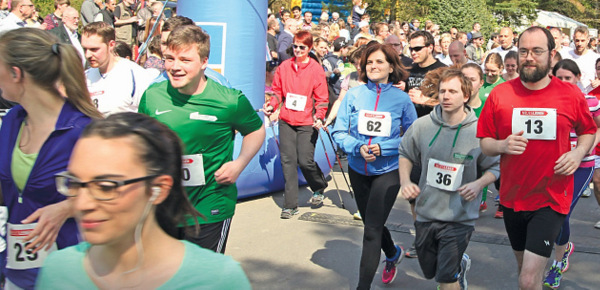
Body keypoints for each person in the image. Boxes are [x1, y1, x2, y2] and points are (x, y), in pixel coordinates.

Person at [36, 113, 251, 289]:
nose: (83, 204)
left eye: (106, 187)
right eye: (75, 183)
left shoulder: (217, 280)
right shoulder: (58, 271)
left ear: (158, 189)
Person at [477, 26, 596, 290]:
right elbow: (485, 144)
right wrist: (502, 144)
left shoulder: (569, 94)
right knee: (526, 274)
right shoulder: (501, 94)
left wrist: (577, 154)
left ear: (552, 55)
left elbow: (588, 131)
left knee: (528, 280)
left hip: (551, 197)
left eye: (537, 51)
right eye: (523, 51)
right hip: (512, 197)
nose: (529, 57)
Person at [139, 25, 265, 253]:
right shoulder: (152, 96)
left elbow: (256, 130)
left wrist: (239, 164)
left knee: (202, 279)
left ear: (204, 62)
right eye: (169, 58)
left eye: (185, 60)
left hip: (209, 205)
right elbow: (141, 142)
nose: (175, 67)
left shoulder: (229, 101)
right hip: (163, 206)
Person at [0, 28, 102, 289]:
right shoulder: (12, 120)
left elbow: (122, 194)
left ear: (16, 73)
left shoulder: (83, 130)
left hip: (73, 274)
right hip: (17, 272)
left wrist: (67, 207)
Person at [399, 67, 500, 290]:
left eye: (452, 91)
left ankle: (453, 271)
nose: (446, 96)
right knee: (429, 270)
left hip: (459, 217)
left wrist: (478, 183)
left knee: (445, 279)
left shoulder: (479, 131)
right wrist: (406, 181)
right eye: (443, 91)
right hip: (426, 213)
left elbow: (496, 166)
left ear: (465, 96)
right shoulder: (422, 126)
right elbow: (405, 153)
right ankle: (459, 265)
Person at [332, 42, 417, 289]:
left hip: (388, 171)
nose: (374, 66)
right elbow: (339, 131)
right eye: (369, 62)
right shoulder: (354, 95)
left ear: (391, 67)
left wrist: (386, 147)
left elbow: (413, 137)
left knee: (370, 231)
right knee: (372, 223)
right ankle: (392, 253)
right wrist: (357, 147)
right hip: (358, 169)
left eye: (380, 62)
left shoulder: (401, 99)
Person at [541, 59, 600, 289]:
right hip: (554, 165)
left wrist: (583, 150)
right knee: (551, 212)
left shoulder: (591, 101)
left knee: (561, 213)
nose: (564, 82)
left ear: (577, 78)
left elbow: (597, 127)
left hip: (582, 165)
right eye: (560, 77)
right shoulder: (548, 101)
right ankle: (564, 246)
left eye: (569, 77)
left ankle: (558, 262)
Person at [263, 30, 329, 219]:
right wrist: (272, 104)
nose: (298, 50)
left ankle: (318, 186)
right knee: (288, 161)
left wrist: (320, 115)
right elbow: (277, 92)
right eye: (295, 46)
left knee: (305, 160)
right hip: (286, 120)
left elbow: (322, 97)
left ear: (309, 48)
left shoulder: (316, 69)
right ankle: (290, 205)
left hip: (307, 122)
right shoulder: (284, 67)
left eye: (302, 47)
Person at [81, 21, 154, 115]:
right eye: (85, 49)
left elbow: (149, 115)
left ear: (111, 45)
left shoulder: (135, 74)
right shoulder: (84, 78)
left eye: (94, 49)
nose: (88, 55)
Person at [565, 26, 599, 93]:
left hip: (588, 97)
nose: (580, 44)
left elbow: (598, 76)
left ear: (588, 40)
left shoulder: (595, 57)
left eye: (582, 40)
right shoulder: (566, 55)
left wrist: (598, 81)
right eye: (577, 40)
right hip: (570, 95)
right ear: (573, 38)